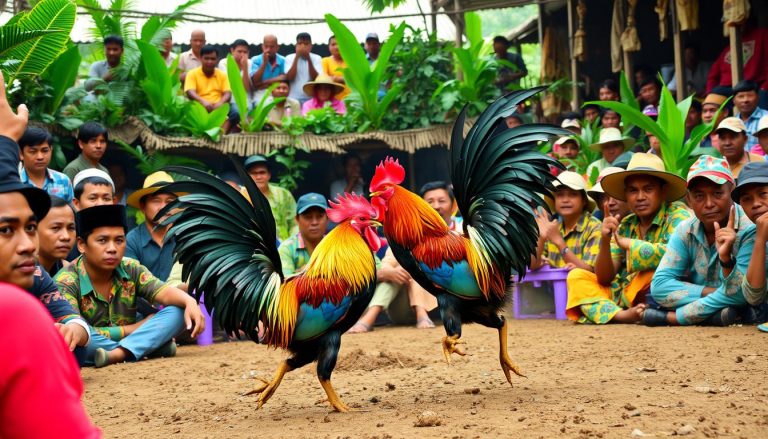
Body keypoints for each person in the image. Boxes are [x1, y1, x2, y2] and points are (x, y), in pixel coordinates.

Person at [54, 204, 205, 368]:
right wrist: (133, 329)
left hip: (105, 350)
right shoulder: (66, 281)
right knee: (77, 336)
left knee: (179, 309)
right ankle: (147, 348)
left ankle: (118, 354)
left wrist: (189, 302)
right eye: (102, 240)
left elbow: (164, 292)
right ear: (82, 245)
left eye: (119, 240)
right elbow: (76, 330)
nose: (112, 249)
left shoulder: (131, 268)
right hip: (92, 343)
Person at [565, 153, 690, 324]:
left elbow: (677, 256)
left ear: (663, 191)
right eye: (633, 190)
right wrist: (604, 239)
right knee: (577, 277)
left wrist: (631, 244)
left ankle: (614, 311)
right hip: (623, 291)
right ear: (626, 195)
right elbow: (604, 278)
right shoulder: (625, 224)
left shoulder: (678, 216)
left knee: (656, 274)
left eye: (648, 189)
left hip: (655, 288)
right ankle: (621, 315)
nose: (640, 197)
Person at [0, 124, 90, 354]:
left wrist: (73, 330)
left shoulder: (35, 273)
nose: (29, 245)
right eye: (6, 230)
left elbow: (75, 322)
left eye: (30, 227)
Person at [646, 156, 752, 326]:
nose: (709, 203)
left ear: (732, 191)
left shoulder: (749, 229)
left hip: (744, 301)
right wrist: (721, 294)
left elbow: (743, 294)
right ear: (689, 200)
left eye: (717, 193)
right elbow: (660, 285)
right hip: (725, 301)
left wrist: (673, 317)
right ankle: (714, 316)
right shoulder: (685, 230)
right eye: (699, 196)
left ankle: (706, 316)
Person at [348, 181, 465, 333]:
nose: (436, 206)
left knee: (419, 265)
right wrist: (389, 273)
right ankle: (418, 314)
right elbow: (387, 262)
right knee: (400, 266)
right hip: (403, 311)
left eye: (442, 201)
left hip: (452, 303)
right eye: (429, 202)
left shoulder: (463, 229)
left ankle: (370, 318)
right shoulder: (409, 232)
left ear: (453, 205)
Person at [0, 284, 101, 439]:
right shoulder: (15, 307)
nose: (31, 257)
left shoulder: (36, 275)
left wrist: (71, 331)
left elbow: (78, 324)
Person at [531, 171, 601, 272]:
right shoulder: (554, 227)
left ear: (584, 200)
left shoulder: (594, 227)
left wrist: (559, 242)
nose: (565, 200)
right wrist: (541, 238)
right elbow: (533, 266)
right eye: (560, 195)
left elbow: (590, 271)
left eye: (573, 194)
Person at [730, 161, 768, 331]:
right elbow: (753, 296)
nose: (756, 203)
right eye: (747, 199)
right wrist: (760, 240)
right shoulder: (751, 236)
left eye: (763, 194)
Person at [125, 172, 179, 282]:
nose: (163, 207)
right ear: (143, 206)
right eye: (156, 201)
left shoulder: (184, 238)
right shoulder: (131, 241)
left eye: (169, 201)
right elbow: (131, 285)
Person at [243, 155, 297, 241]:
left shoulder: (283, 194)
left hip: (283, 245)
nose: (258, 177)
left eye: (262, 172)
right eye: (254, 173)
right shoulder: (241, 195)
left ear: (269, 175)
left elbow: (295, 223)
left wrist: (290, 243)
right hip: (251, 245)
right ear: (246, 176)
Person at [184, 45, 235, 133]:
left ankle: (222, 136)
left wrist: (220, 103)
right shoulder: (192, 74)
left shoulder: (222, 75)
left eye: (212, 59)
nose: (209, 62)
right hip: (200, 107)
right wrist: (203, 101)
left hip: (218, 107)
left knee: (235, 112)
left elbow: (228, 93)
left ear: (217, 60)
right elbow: (190, 91)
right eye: (206, 58)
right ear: (200, 58)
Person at [706, 24, 768, 96]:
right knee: (714, 95)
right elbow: (712, 75)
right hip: (727, 89)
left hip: (753, 86)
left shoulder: (762, 35)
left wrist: (765, 86)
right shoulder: (728, 48)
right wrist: (709, 93)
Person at [278, 193, 329, 276]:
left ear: (327, 218)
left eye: (320, 216)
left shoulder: (336, 247)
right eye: (308, 217)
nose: (314, 222)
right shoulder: (286, 249)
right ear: (297, 219)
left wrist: (303, 273)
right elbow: (284, 283)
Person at [18, 127, 73, 202]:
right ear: (21, 154)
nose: (40, 157)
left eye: (45, 151)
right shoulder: (13, 183)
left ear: (51, 150)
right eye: (33, 151)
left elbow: (71, 212)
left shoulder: (63, 180)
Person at [37, 196, 76, 276]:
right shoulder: (21, 275)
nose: (66, 237)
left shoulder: (67, 271)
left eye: (71, 228)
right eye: (56, 228)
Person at [285, 32, 322, 105]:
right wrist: (297, 57)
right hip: (293, 98)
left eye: (306, 44)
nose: (303, 46)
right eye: (300, 44)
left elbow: (316, 78)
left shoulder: (317, 58)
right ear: (296, 45)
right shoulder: (289, 57)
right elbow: (289, 77)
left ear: (311, 46)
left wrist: (308, 58)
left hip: (311, 99)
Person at [732, 81, 768, 152]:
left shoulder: (766, 118)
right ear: (734, 101)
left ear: (758, 98)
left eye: (750, 95)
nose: (745, 100)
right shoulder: (732, 122)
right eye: (741, 96)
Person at [250, 34, 287, 102]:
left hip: (278, 92)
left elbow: (284, 78)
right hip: (260, 93)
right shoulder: (255, 60)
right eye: (266, 46)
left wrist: (263, 83)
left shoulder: (283, 60)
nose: (268, 49)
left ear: (277, 47)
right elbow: (255, 82)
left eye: (272, 47)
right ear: (262, 46)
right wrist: (264, 63)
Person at [218, 39, 252, 105]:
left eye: (245, 52)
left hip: (247, 99)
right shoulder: (224, 63)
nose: (242, 54)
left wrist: (245, 68)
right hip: (230, 98)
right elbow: (230, 84)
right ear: (232, 50)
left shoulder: (250, 63)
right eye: (239, 51)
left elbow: (247, 88)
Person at [321, 36, 350, 100]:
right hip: (332, 101)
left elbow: (356, 79)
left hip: (351, 100)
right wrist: (345, 79)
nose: (336, 47)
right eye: (333, 44)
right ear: (329, 47)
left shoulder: (351, 62)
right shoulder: (325, 61)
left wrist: (336, 78)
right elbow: (324, 80)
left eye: (339, 44)